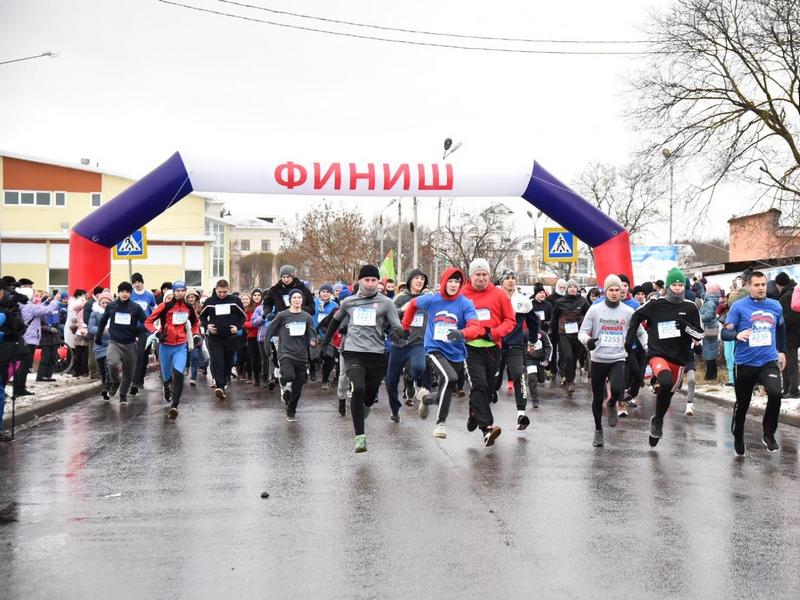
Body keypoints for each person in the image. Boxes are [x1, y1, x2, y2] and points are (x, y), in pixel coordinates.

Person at [322, 265, 404, 453]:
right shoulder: (349, 302)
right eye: (366, 280)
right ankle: (360, 437)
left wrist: (400, 332)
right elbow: (335, 320)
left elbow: (395, 324)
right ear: (359, 281)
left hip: (376, 354)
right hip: (353, 351)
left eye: (373, 280)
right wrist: (325, 342)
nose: (369, 283)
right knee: (358, 388)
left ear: (378, 282)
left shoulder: (386, 303)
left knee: (369, 394)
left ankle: (366, 405)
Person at [626, 268, 703, 447]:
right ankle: (656, 385)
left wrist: (685, 327)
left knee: (667, 393)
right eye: (674, 285)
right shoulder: (655, 304)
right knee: (665, 381)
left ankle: (658, 420)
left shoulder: (690, 307)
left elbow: (699, 335)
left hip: (679, 358)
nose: (677, 288)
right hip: (658, 353)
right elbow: (636, 316)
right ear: (668, 286)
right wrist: (630, 339)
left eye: (680, 285)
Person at [402, 267, 481, 438]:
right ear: (444, 282)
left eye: (457, 282)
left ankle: (427, 399)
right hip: (434, 349)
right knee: (450, 378)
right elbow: (413, 305)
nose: (453, 285)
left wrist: (463, 333)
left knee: (448, 386)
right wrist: (405, 327)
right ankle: (440, 424)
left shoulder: (465, 303)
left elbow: (476, 326)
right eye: (451, 281)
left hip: (456, 351)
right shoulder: (432, 300)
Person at [579, 275, 647, 447]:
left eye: (618, 289)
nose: (615, 293)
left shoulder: (628, 311)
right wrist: (588, 341)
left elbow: (640, 332)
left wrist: (647, 346)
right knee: (596, 398)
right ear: (606, 291)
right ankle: (598, 431)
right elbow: (582, 332)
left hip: (618, 358)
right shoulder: (595, 310)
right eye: (611, 290)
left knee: (617, 389)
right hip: (598, 359)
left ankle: (611, 404)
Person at [722, 271, 785, 455]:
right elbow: (724, 333)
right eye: (756, 285)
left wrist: (781, 350)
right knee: (743, 404)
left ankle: (768, 433)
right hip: (745, 363)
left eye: (763, 284)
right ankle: (738, 434)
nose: (760, 288)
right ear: (749, 286)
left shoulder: (775, 306)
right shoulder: (738, 307)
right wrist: (736, 335)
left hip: (768, 361)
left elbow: (781, 329)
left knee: (775, 393)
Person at [460, 259, 516, 446]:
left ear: (489, 276)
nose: (481, 278)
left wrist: (494, 333)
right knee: (479, 385)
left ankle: (474, 411)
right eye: (478, 274)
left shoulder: (499, 295)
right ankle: (487, 428)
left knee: (491, 390)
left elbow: (510, 321)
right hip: (469, 347)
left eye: (485, 275)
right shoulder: (461, 295)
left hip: (492, 347)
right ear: (471, 276)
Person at [145, 281, 200, 418]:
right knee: (167, 377)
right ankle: (166, 386)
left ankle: (175, 405)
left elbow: (196, 323)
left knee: (178, 373)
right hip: (165, 346)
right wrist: (157, 333)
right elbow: (148, 322)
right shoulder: (165, 306)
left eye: (182, 291)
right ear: (174, 292)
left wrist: (196, 334)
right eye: (178, 291)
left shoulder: (188, 307)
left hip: (181, 346)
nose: (180, 293)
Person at [494, 270, 539, 430]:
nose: (511, 280)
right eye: (507, 278)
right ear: (501, 281)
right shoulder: (494, 298)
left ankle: (521, 413)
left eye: (513, 278)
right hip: (495, 346)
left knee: (518, 374)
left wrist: (532, 340)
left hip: (515, 346)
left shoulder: (523, 301)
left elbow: (534, 321)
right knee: (494, 380)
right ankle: (492, 393)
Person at [385, 269, 430, 422]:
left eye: (422, 278)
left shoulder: (427, 299)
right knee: (391, 381)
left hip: (418, 343)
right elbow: (389, 316)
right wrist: (403, 309)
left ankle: (411, 382)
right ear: (410, 280)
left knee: (419, 367)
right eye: (416, 277)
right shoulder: (400, 298)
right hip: (400, 344)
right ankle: (395, 410)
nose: (420, 281)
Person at [266, 289, 317, 421]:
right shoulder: (282, 315)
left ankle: (291, 411)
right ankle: (282, 379)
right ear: (290, 300)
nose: (296, 300)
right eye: (294, 297)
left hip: (301, 355)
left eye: (299, 297)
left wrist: (313, 341)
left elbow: (312, 333)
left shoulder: (307, 317)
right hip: (286, 353)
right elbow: (270, 331)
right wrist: (267, 347)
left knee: (298, 387)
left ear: (302, 300)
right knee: (289, 376)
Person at [96, 282, 148, 405]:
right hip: (115, 342)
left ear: (130, 293)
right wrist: (98, 336)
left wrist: (136, 332)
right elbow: (103, 322)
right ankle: (115, 382)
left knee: (128, 371)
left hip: (130, 344)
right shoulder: (112, 306)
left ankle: (123, 395)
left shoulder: (135, 307)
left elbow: (146, 323)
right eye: (122, 291)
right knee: (112, 363)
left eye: (127, 292)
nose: (125, 294)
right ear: (118, 293)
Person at [199, 279, 246, 400]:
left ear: (228, 290)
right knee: (217, 360)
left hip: (230, 337)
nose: (222, 294)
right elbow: (202, 316)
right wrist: (207, 325)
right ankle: (219, 386)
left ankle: (224, 379)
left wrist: (238, 327)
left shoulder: (235, 301)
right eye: (220, 292)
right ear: (216, 289)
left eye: (224, 292)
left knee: (228, 362)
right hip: (215, 337)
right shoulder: (210, 301)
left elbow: (243, 316)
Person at [17, 288, 61, 395]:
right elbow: (47, 310)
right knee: (25, 365)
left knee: (23, 365)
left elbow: (38, 309)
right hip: (29, 338)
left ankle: (19, 387)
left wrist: (46, 302)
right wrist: (55, 300)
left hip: (25, 337)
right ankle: (19, 388)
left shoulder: (21, 305)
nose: (34, 295)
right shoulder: (28, 306)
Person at [550, 279, 589, 394]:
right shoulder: (560, 301)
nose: (572, 288)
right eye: (570, 286)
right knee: (568, 357)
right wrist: (552, 330)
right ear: (566, 289)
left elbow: (589, 316)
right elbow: (554, 316)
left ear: (577, 289)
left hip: (578, 334)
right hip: (564, 333)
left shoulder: (583, 301)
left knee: (575, 358)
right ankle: (570, 381)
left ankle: (569, 377)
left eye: (574, 286)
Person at [130, 273, 157, 394]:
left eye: (138, 282)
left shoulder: (149, 295)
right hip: (131, 328)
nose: (137, 284)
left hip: (145, 328)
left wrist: (154, 324)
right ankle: (134, 382)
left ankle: (140, 380)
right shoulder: (130, 294)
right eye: (134, 282)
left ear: (142, 282)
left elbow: (155, 309)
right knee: (136, 354)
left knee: (143, 354)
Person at [775, 272, 799, 397]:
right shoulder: (789, 294)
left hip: (789, 335)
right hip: (790, 335)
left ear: (779, 284)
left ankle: (793, 390)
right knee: (785, 362)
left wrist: (778, 323)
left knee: (791, 363)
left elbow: (790, 317)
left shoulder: (787, 296)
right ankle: (786, 388)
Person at [310, 283, 339, 388]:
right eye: (323, 292)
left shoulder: (335, 305)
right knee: (314, 356)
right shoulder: (313, 303)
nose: (325, 294)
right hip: (314, 333)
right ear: (320, 293)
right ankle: (312, 367)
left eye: (328, 292)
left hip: (328, 335)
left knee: (329, 358)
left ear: (331, 293)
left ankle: (325, 380)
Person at [88, 290, 114, 398]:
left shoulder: (115, 312)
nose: (104, 305)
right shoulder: (95, 313)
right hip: (99, 344)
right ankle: (105, 387)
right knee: (102, 368)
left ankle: (110, 385)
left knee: (110, 366)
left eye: (107, 303)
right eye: (102, 303)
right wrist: (100, 330)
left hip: (112, 343)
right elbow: (90, 327)